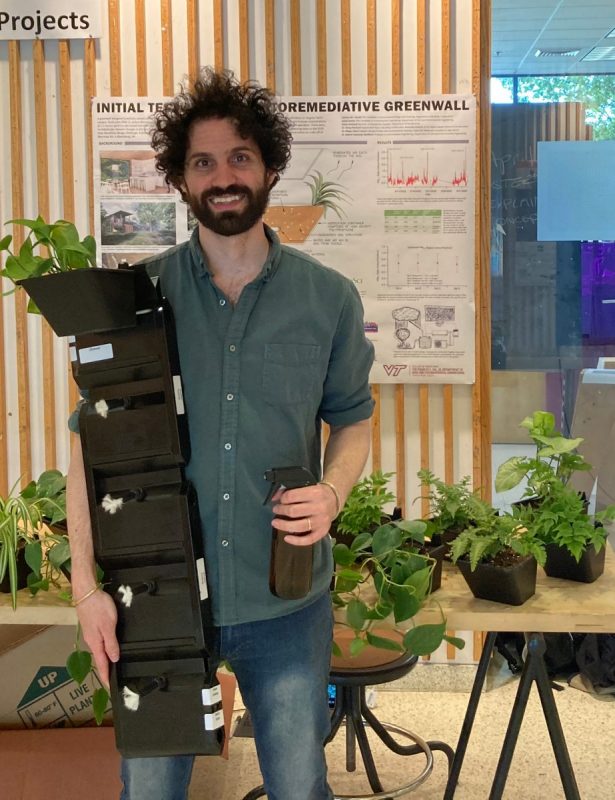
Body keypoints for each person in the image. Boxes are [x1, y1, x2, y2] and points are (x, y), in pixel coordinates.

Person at [67, 67, 374, 800]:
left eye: (239, 156)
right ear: (179, 179)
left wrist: (331, 493)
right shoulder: (134, 301)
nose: (223, 176)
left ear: (269, 166)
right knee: (149, 791)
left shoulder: (326, 298)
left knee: (299, 787)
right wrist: (86, 589)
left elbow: (353, 418)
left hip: (285, 601)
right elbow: (90, 450)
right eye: (202, 161)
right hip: (157, 600)